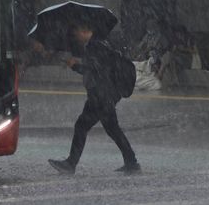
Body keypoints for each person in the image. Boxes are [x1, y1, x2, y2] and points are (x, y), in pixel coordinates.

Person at [48, 22, 140, 175]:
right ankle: (131, 161)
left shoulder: (94, 46)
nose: (76, 35)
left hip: (100, 96)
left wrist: (74, 66)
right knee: (112, 129)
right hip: (107, 94)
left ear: (85, 30)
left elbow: (95, 70)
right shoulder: (102, 44)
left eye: (77, 31)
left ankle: (71, 163)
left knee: (81, 126)